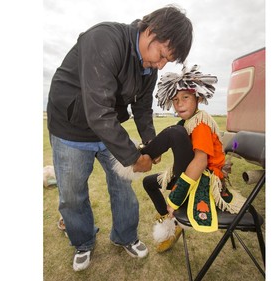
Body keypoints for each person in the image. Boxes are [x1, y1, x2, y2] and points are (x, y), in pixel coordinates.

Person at [46, 5, 193, 271]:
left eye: (166, 61)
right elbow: (98, 111)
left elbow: (142, 107)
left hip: (107, 129)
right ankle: (83, 242)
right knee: (72, 194)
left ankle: (125, 236)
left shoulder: (149, 67)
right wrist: (134, 157)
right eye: (161, 55)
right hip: (70, 127)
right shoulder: (104, 39)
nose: (161, 64)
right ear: (151, 31)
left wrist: (149, 143)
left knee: (122, 186)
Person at [139, 65, 243, 252]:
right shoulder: (186, 122)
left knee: (175, 132)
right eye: (175, 99)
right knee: (148, 182)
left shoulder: (201, 122)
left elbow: (200, 162)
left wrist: (175, 199)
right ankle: (169, 219)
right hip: (192, 173)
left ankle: (141, 155)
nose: (179, 104)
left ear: (199, 97)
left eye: (185, 97)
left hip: (205, 180)